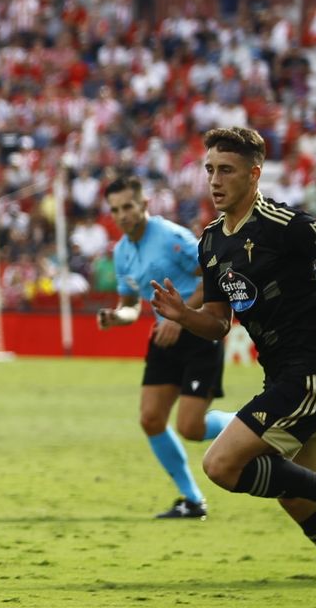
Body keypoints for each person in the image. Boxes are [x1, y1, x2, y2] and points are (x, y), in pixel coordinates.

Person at [151, 127, 316, 608]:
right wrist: (184, 316)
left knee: (220, 466)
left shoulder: (282, 224)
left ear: (254, 174)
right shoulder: (211, 242)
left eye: (227, 170)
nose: (215, 180)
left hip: (312, 373)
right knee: (294, 497)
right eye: (210, 170)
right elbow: (219, 324)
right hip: (280, 377)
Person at [97, 176, 237, 519]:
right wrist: (117, 317)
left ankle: (259, 425)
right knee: (150, 418)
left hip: (198, 331)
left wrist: (181, 315)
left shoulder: (172, 237)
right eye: (116, 210)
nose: (122, 215)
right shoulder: (122, 252)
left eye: (128, 206)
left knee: (191, 427)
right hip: (165, 335)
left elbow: (213, 276)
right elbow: (131, 304)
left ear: (144, 205)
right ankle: (192, 500)